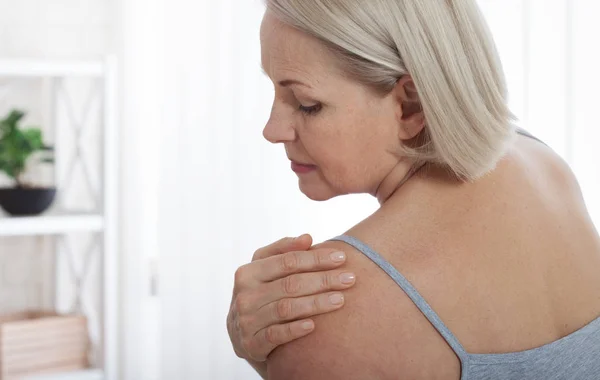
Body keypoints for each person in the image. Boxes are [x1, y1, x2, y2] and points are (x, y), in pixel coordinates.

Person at [227, 1, 600, 379]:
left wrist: (276, 352)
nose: (272, 130)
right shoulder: (544, 164)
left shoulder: (330, 316)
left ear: (410, 104)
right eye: (274, 89)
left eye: (308, 105)